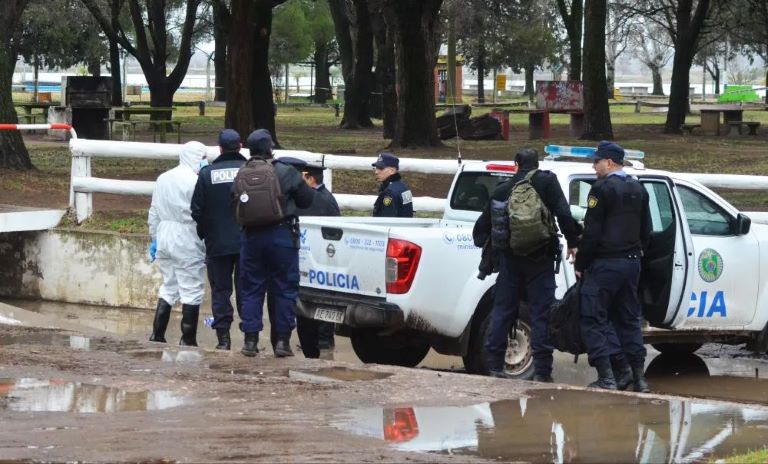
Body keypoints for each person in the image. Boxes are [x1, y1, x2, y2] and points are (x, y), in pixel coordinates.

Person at [472, 148, 580, 381]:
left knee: (502, 312)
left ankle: (495, 367)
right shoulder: (547, 183)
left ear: (516, 165)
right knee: (541, 314)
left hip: (510, 263)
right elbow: (563, 213)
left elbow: (480, 231)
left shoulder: (503, 189)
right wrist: (573, 242)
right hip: (540, 261)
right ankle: (542, 372)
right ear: (536, 165)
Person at [575, 141, 651, 392]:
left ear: (609, 162)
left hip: (605, 265)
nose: (593, 166)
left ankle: (607, 376)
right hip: (631, 264)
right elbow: (646, 231)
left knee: (593, 318)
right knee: (629, 320)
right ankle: (639, 378)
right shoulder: (639, 189)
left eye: (596, 162)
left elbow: (592, 233)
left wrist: (582, 263)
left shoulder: (601, 189)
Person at [238, 129, 315, 358]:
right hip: (282, 237)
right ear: (270, 147)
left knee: (251, 289)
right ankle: (282, 341)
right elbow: (307, 200)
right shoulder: (286, 171)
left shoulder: (242, 172)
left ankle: (250, 341)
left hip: (251, 237)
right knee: (284, 288)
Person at [191, 129, 247, 350]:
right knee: (246, 290)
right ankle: (249, 338)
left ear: (220, 148)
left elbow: (196, 209)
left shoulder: (207, 174)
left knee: (220, 290)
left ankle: (223, 339)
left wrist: (207, 232)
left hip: (217, 243)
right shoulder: (249, 171)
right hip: (246, 241)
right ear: (240, 146)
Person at [148, 141, 208, 346]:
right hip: (187, 237)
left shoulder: (163, 178)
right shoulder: (195, 181)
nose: (204, 162)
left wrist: (154, 238)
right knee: (191, 288)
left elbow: (153, 211)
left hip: (164, 235)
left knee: (169, 285)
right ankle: (188, 338)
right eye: (202, 158)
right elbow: (200, 213)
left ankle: (157, 334)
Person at [295, 161, 340, 358]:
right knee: (324, 303)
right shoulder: (328, 199)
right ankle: (324, 341)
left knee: (306, 304)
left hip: (306, 260)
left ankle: (312, 345)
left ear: (310, 178)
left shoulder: (305, 200)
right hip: (325, 261)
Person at [371, 152, 413, 218]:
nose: (376, 172)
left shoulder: (390, 192)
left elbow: (386, 220)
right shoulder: (403, 186)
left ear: (392, 171)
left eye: (381, 168)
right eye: (376, 168)